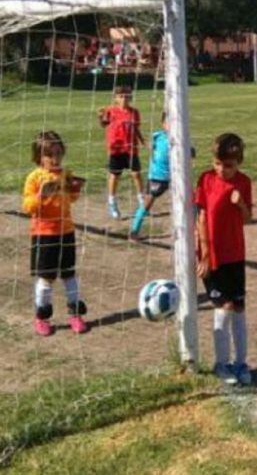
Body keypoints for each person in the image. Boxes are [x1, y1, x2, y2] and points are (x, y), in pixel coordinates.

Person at [196, 133, 254, 386]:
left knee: (239, 307)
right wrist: (206, 254)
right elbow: (200, 218)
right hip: (214, 255)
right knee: (224, 306)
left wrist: (240, 203)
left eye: (228, 165)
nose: (222, 169)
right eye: (218, 163)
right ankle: (221, 363)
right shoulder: (206, 180)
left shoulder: (244, 182)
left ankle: (241, 363)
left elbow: (248, 218)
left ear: (239, 162)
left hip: (236, 253)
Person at [22, 131, 88, 336]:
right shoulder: (34, 178)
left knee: (70, 275)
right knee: (46, 278)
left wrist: (75, 189)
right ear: (39, 157)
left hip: (66, 231)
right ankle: (42, 317)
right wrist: (41, 196)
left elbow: (71, 199)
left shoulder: (65, 173)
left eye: (59, 153)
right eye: (50, 155)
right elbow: (27, 206)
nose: (56, 158)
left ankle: (75, 314)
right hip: (44, 235)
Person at [98, 85, 145, 219]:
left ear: (130, 97)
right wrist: (101, 116)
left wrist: (142, 140)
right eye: (121, 96)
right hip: (116, 148)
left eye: (127, 96)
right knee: (115, 175)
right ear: (116, 98)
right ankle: (112, 201)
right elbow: (103, 124)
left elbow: (135, 128)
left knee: (136, 174)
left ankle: (142, 201)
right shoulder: (110, 111)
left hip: (131, 147)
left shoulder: (134, 112)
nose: (124, 99)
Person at [130, 112, 171, 238]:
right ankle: (134, 231)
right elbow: (149, 147)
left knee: (189, 200)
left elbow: (191, 153)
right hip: (158, 176)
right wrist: (142, 140)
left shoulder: (183, 138)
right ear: (163, 124)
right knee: (148, 202)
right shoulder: (158, 136)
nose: (172, 125)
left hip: (177, 177)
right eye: (168, 122)